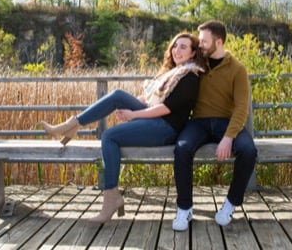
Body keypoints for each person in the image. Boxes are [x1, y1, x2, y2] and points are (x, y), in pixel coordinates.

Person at [41, 32, 207, 223]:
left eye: (183, 47)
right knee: (118, 95)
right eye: (175, 46)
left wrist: (133, 115)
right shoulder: (170, 74)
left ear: (193, 53)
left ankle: (111, 197)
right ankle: (73, 124)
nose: (177, 50)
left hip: (165, 128)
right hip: (153, 118)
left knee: (110, 136)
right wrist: (129, 106)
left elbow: (166, 108)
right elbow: (147, 100)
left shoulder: (189, 76)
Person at [172, 20, 257, 231]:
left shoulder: (238, 69)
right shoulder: (198, 64)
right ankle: (185, 209)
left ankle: (230, 204)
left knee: (248, 150)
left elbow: (241, 108)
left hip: (226, 124)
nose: (199, 45)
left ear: (218, 42)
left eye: (203, 41)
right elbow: (172, 73)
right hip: (198, 122)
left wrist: (228, 137)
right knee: (181, 148)